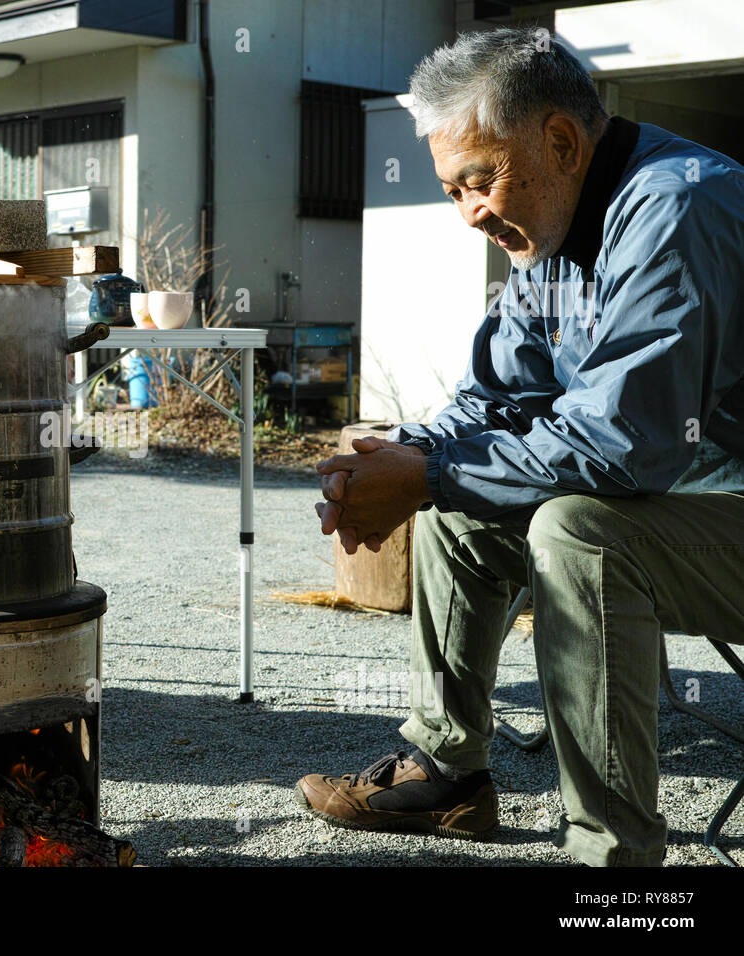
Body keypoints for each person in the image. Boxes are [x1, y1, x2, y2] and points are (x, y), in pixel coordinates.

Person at [299, 27, 744, 867]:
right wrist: (399, 462)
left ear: (563, 141)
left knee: (574, 530)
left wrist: (428, 470)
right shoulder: (550, 231)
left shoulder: (679, 208)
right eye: (451, 190)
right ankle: (447, 772)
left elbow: (627, 446)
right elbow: (494, 395)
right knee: (457, 510)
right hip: (693, 505)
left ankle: (612, 867)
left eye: (479, 181)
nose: (469, 212)